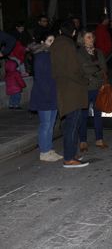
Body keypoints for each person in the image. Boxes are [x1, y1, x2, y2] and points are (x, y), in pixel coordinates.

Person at [50, 19, 89, 168]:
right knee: (73, 124)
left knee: (70, 123)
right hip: (73, 90)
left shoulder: (56, 44)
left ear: (60, 31)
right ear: (73, 33)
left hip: (63, 88)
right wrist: (84, 80)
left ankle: (71, 153)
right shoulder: (68, 45)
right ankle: (69, 158)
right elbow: (73, 69)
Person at [29, 32, 62, 161]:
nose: (52, 43)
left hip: (52, 94)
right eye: (49, 41)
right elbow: (41, 79)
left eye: (53, 40)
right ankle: (44, 151)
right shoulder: (41, 56)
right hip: (44, 96)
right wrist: (49, 93)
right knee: (46, 124)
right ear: (43, 42)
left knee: (51, 124)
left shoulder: (50, 55)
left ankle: (48, 148)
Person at [77, 30, 108, 152]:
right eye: (88, 37)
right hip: (85, 87)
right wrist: (96, 70)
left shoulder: (99, 52)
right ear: (82, 39)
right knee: (83, 115)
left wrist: (93, 71)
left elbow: (104, 68)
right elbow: (81, 69)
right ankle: (83, 141)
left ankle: (99, 139)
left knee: (98, 114)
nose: (91, 39)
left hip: (98, 87)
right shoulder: (79, 53)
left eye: (92, 37)